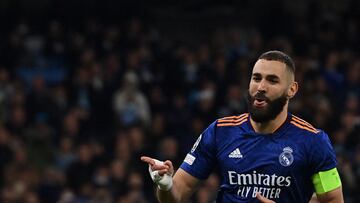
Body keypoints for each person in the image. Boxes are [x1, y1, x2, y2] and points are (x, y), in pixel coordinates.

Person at [141, 50, 344, 203]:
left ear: (292, 89)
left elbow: (334, 200)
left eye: (272, 80)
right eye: (256, 78)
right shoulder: (220, 131)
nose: (261, 87)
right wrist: (165, 184)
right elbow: (178, 192)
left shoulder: (313, 140)